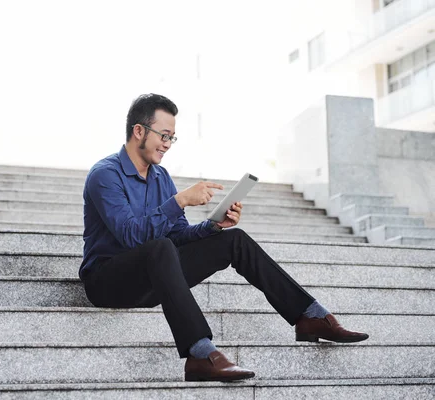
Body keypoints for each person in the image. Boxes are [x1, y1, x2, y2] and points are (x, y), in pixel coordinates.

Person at [79, 93, 368, 382]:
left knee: (235, 240)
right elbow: (131, 236)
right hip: (107, 281)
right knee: (159, 247)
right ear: (139, 131)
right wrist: (178, 201)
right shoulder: (105, 175)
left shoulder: (160, 177)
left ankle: (310, 317)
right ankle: (201, 353)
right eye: (163, 135)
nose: (167, 144)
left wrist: (213, 226)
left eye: (172, 137)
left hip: (153, 278)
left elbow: (177, 235)